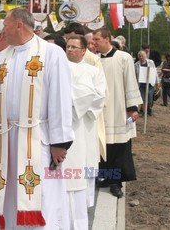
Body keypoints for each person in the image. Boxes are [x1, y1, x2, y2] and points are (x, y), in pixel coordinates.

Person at [0, 8, 74, 229]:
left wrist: (60, 142)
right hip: (5, 142)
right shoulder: (0, 58)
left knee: (41, 197)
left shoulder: (51, 54)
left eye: (5, 26)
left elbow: (61, 97)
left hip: (37, 140)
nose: (2, 32)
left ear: (19, 25)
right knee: (8, 197)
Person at [93, 27, 143, 198]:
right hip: (100, 111)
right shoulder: (95, 59)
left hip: (119, 109)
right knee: (104, 147)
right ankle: (107, 178)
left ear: (107, 39)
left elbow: (130, 82)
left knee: (119, 147)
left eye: (97, 39)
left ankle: (116, 182)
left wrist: (133, 108)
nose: (94, 43)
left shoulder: (124, 57)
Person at [64, 36, 106, 230]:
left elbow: (98, 97)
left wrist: (70, 100)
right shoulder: (58, 68)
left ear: (83, 51)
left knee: (78, 177)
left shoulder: (94, 72)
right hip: (60, 129)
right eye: (68, 46)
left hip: (82, 128)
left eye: (74, 47)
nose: (70, 49)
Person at [134, 50, 158, 116]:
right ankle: (143, 111)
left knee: (150, 99)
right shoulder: (136, 64)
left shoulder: (151, 62)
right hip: (141, 84)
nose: (141, 57)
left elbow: (155, 72)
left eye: (142, 55)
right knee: (143, 99)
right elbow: (135, 75)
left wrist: (157, 82)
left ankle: (149, 109)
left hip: (150, 83)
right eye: (140, 56)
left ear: (146, 55)